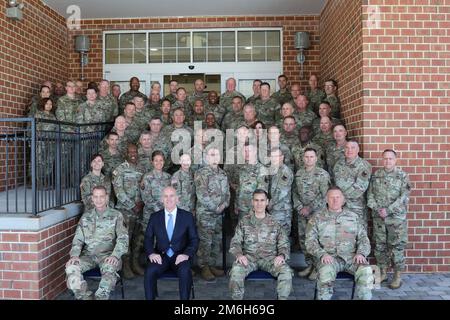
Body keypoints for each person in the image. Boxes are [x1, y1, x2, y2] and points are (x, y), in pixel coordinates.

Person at [306, 187, 374, 300]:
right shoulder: (316, 218)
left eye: (338, 197)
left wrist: (361, 253)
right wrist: (322, 254)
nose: (335, 200)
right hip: (328, 258)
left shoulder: (354, 217)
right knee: (325, 274)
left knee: (366, 271)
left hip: (352, 258)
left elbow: (364, 239)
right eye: (332, 197)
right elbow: (310, 242)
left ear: (343, 200)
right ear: (326, 200)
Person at [65, 186, 128, 300]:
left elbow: (123, 239)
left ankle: (100, 297)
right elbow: (78, 239)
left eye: (102, 196)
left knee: (109, 269)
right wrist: (74, 255)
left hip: (109, 256)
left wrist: (115, 255)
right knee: (71, 267)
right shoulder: (86, 217)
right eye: (96, 197)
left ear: (107, 197)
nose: (99, 200)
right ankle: (85, 297)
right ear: (92, 199)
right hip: (88, 256)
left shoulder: (116, 215)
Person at [229, 189, 293, 300]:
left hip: (270, 259)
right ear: (252, 202)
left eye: (262, 200)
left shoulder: (275, 222)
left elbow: (284, 243)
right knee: (235, 272)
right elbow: (236, 242)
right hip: (249, 258)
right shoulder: (244, 221)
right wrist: (239, 255)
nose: (259, 203)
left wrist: (281, 256)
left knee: (286, 272)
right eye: (256, 200)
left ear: (267, 202)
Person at [144, 186, 199, 300]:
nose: (169, 199)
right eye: (165, 196)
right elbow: (148, 238)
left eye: (172, 196)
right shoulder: (154, 217)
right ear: (162, 199)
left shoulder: (187, 216)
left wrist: (186, 255)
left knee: (185, 271)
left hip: (180, 256)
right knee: (149, 271)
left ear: (177, 199)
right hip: (161, 256)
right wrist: (151, 253)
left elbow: (194, 239)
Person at [367, 149, 411, 289]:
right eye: (385, 158)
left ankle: (397, 276)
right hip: (379, 217)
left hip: (396, 219)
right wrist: (377, 209)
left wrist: (388, 210)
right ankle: (383, 272)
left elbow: (403, 197)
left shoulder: (402, 176)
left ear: (395, 160)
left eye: (390, 158)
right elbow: (370, 195)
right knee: (380, 246)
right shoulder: (376, 175)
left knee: (397, 247)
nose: (387, 161)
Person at [293, 148, 330, 280]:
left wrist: (309, 208)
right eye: (306, 157)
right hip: (302, 213)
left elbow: (325, 195)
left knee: (315, 241)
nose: (308, 159)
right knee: (304, 240)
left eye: (311, 157)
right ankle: (309, 265)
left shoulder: (322, 174)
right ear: (303, 158)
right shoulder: (299, 173)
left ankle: (317, 267)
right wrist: (300, 207)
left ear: (316, 158)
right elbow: (295, 193)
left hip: (316, 214)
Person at [194, 147, 230, 281]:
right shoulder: (200, 173)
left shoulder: (223, 173)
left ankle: (212, 264)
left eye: (217, 155)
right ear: (207, 157)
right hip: (206, 214)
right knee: (205, 242)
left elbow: (227, 193)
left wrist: (225, 204)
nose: (215, 157)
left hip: (219, 214)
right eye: (212, 155)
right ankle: (204, 267)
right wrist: (216, 207)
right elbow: (202, 195)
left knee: (216, 240)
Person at [112, 144, 145, 278]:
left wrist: (142, 203)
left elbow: (145, 187)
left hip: (140, 210)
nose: (133, 154)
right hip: (126, 211)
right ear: (125, 154)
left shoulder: (142, 168)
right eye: (130, 151)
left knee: (138, 239)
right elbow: (118, 192)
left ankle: (135, 263)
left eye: (135, 151)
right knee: (126, 238)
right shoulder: (119, 170)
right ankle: (126, 266)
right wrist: (132, 205)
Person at [333, 140, 372, 228]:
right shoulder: (338, 164)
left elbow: (359, 188)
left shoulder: (364, 166)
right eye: (347, 147)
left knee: (358, 234)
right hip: (339, 207)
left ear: (358, 150)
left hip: (355, 208)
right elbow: (334, 184)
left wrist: (341, 199)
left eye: (352, 148)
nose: (349, 150)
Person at [257, 148, 293, 236]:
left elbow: (281, 192)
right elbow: (263, 186)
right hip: (269, 209)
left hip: (281, 210)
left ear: (282, 157)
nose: (274, 159)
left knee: (282, 237)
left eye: (277, 156)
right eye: (272, 156)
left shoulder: (286, 172)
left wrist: (268, 204)